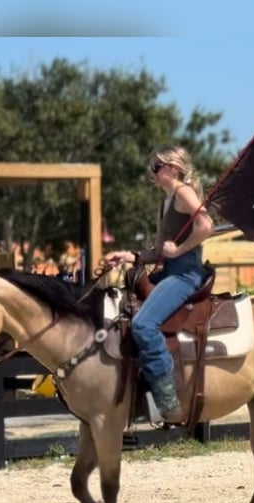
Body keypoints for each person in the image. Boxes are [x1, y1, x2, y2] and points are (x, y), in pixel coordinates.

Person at [104, 145, 214, 423]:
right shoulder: (164, 202)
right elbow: (158, 251)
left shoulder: (183, 193)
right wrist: (130, 256)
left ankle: (168, 400)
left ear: (173, 169)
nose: (151, 173)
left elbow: (206, 225)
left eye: (156, 167)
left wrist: (179, 250)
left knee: (143, 324)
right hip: (169, 271)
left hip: (185, 275)